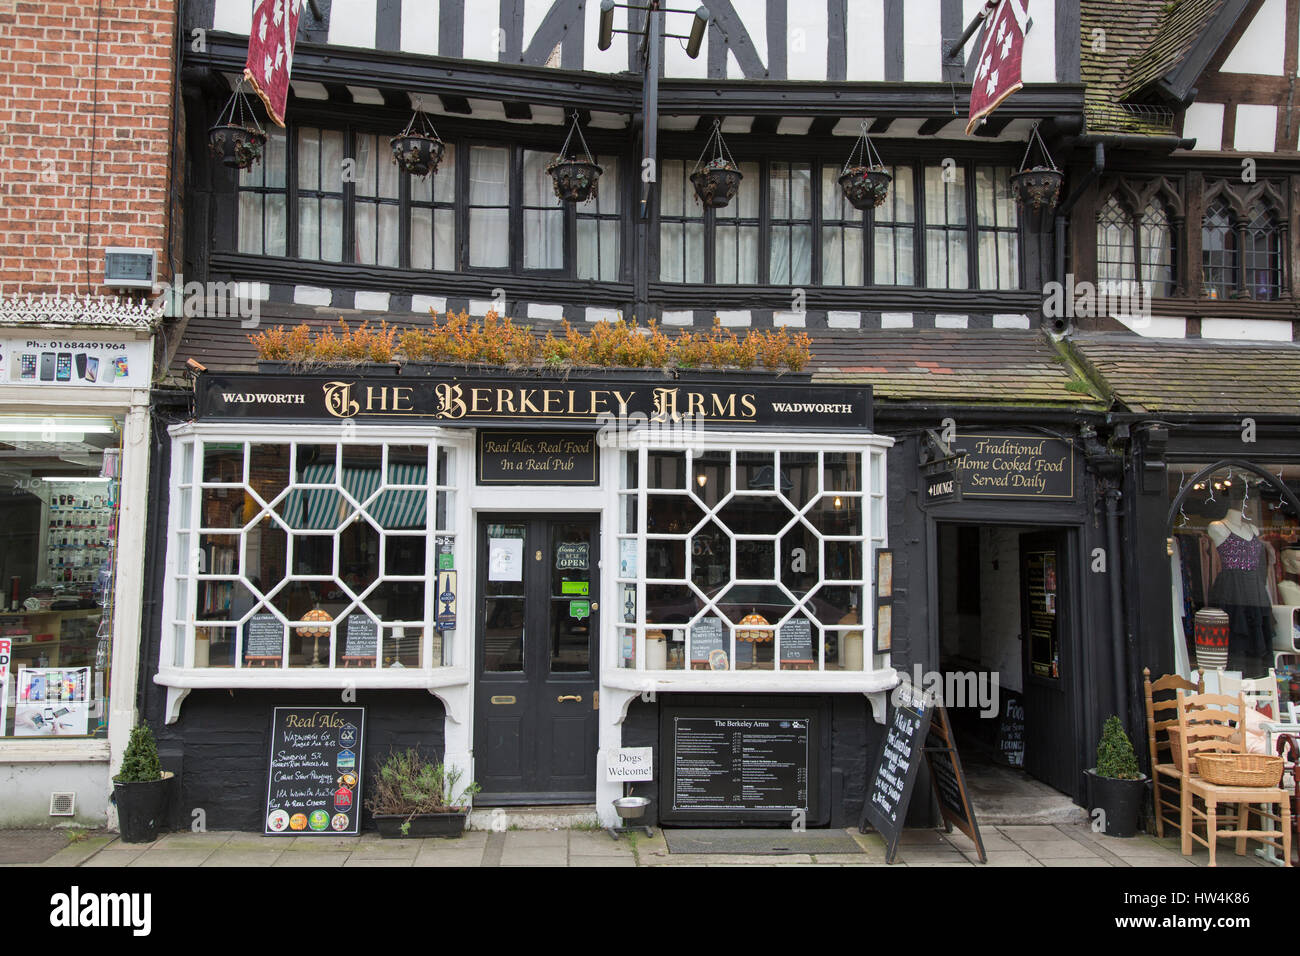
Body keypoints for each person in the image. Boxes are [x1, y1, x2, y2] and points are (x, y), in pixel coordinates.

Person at [1206, 485, 1273, 675]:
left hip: (1255, 589)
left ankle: (1257, 681)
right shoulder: (1217, 527)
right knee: (1236, 636)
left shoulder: (1253, 529)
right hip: (1232, 588)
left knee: (1256, 634)